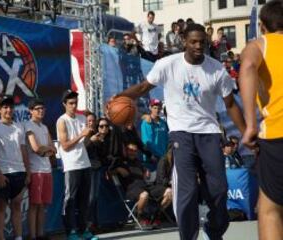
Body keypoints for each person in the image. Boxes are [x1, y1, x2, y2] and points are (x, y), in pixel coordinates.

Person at [113, 23, 246, 239]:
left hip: (209, 133)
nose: (198, 46)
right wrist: (121, 97)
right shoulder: (167, 64)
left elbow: (231, 105)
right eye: (193, 41)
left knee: (220, 190)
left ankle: (213, 230)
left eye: (202, 42)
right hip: (181, 134)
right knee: (187, 191)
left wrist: (246, 133)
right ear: (183, 40)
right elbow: (143, 87)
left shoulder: (217, 69)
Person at [238, 1, 283, 239]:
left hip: (278, 134)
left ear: (262, 25)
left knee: (269, 211)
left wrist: (250, 126)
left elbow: (246, 67)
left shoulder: (260, 44)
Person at [56, 90, 98, 240]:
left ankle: (83, 230)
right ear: (64, 104)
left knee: (84, 200)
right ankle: (71, 232)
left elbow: (83, 144)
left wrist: (91, 138)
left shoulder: (82, 118)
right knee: (70, 200)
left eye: (75, 102)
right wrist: (81, 134)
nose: (74, 105)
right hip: (72, 165)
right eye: (70, 103)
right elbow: (65, 145)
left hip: (84, 163)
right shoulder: (62, 121)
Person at [0, 96, 30, 240]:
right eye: (5, 107)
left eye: (10, 107)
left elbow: (24, 150)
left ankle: (18, 237)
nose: (8, 110)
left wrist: (27, 172)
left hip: (20, 172)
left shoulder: (19, 127)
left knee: (17, 206)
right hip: (3, 173)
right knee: (1, 207)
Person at [25, 99, 56, 240]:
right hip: (35, 170)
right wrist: (46, 149)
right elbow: (36, 148)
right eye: (37, 108)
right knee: (34, 205)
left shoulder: (44, 127)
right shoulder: (28, 125)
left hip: (47, 170)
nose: (41, 111)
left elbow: (53, 148)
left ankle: (40, 234)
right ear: (30, 111)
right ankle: (32, 236)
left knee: (43, 205)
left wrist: (47, 150)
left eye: (42, 108)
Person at [140, 99, 169, 177]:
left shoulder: (163, 123)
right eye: (155, 107)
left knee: (162, 183)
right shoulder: (146, 122)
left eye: (159, 108)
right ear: (150, 108)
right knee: (151, 184)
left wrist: (166, 155)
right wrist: (155, 155)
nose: (157, 110)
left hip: (163, 159)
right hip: (151, 159)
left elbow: (167, 139)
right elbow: (146, 142)